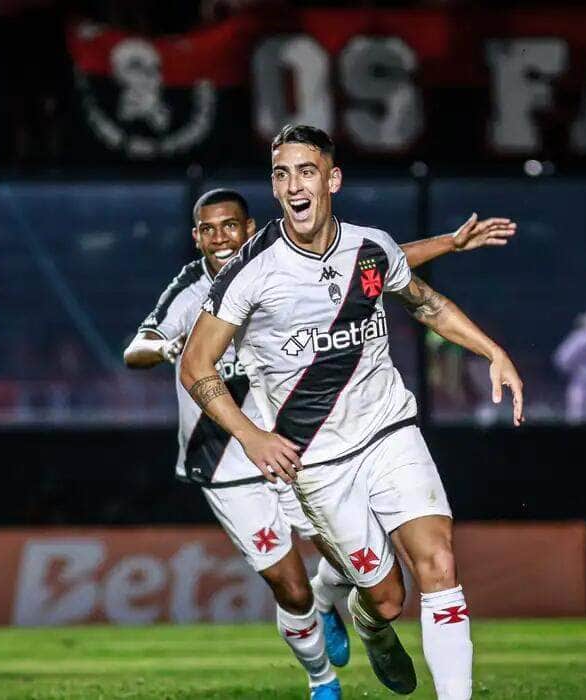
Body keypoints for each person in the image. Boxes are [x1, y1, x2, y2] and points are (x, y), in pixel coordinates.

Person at [180, 124, 524, 700]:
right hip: (314, 461)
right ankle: (368, 622)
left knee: (439, 560)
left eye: (306, 171)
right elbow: (196, 367)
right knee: (389, 598)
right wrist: (252, 435)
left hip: (389, 430)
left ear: (332, 179)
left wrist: (494, 351)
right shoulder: (251, 271)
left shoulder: (370, 246)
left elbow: (425, 302)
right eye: (282, 173)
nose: (294, 185)